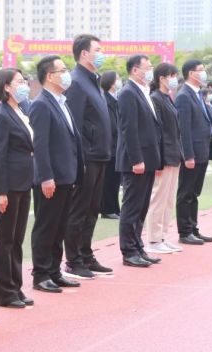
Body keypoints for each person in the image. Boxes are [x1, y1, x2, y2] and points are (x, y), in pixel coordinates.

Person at [30, 55, 84, 293]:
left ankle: (54, 270)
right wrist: (46, 177)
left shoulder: (62, 101)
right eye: (62, 70)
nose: (67, 74)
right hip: (51, 178)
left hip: (66, 175)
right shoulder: (42, 104)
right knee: (46, 226)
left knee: (59, 226)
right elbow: (40, 145)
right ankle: (41, 273)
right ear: (50, 76)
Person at [63, 34, 112, 280]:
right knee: (79, 209)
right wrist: (79, 159)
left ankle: (85, 253)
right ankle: (73, 259)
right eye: (98, 49)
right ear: (84, 53)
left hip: (100, 155)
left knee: (93, 209)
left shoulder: (93, 80)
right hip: (87, 157)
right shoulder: (76, 82)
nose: (102, 54)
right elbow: (76, 125)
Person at [0, 68, 34, 308]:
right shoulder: (1, 115)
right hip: (10, 185)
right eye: (19, 81)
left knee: (17, 239)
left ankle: (16, 286)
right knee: (5, 239)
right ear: (6, 87)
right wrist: (2, 191)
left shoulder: (22, 111)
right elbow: (0, 156)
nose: (24, 84)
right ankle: (5, 292)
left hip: (25, 182)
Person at [116, 55, 162, 267]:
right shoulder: (127, 93)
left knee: (142, 206)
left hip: (149, 158)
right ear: (135, 70)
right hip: (136, 161)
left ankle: (138, 246)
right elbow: (128, 129)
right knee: (132, 206)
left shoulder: (144, 92)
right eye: (147, 67)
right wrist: (136, 159)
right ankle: (128, 250)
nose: (150, 71)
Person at [175, 59, 212, 246]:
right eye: (201, 70)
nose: (204, 73)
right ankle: (184, 231)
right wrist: (188, 155)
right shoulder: (184, 96)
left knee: (194, 193)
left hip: (203, 151)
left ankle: (193, 228)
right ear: (191, 73)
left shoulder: (198, 95)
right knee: (186, 192)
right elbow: (184, 129)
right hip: (193, 153)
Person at [147, 63, 184, 254]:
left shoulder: (167, 98)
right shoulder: (155, 99)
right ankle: (153, 239)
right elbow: (157, 132)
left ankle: (162, 236)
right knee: (159, 198)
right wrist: (158, 159)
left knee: (169, 199)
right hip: (164, 156)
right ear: (161, 78)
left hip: (174, 154)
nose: (174, 79)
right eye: (172, 76)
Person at [99, 71, 121, 220]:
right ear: (111, 83)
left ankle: (115, 207)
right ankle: (107, 209)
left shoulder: (116, 99)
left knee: (115, 180)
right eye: (118, 79)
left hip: (117, 146)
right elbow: (111, 125)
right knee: (109, 180)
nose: (120, 81)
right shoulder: (105, 100)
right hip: (110, 146)